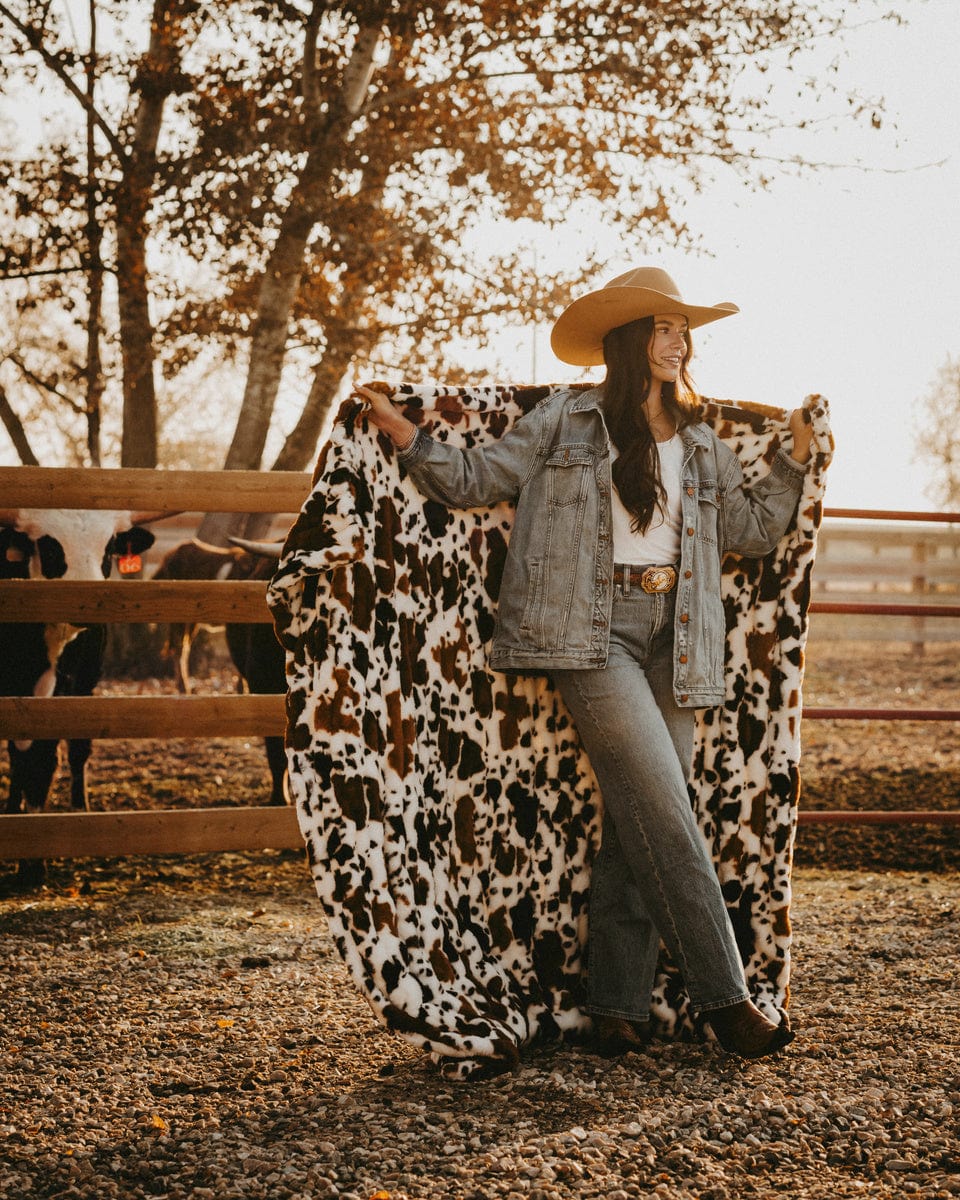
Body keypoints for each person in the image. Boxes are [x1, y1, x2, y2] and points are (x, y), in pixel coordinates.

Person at [355, 265, 813, 1060]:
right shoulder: (565, 421)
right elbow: (479, 478)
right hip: (590, 635)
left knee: (642, 816)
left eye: (683, 330)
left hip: (680, 639)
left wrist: (796, 459)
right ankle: (727, 999)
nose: (678, 342)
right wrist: (405, 435)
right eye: (663, 328)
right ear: (630, 339)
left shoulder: (701, 441)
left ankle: (615, 1007)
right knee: (664, 807)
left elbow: (751, 530)